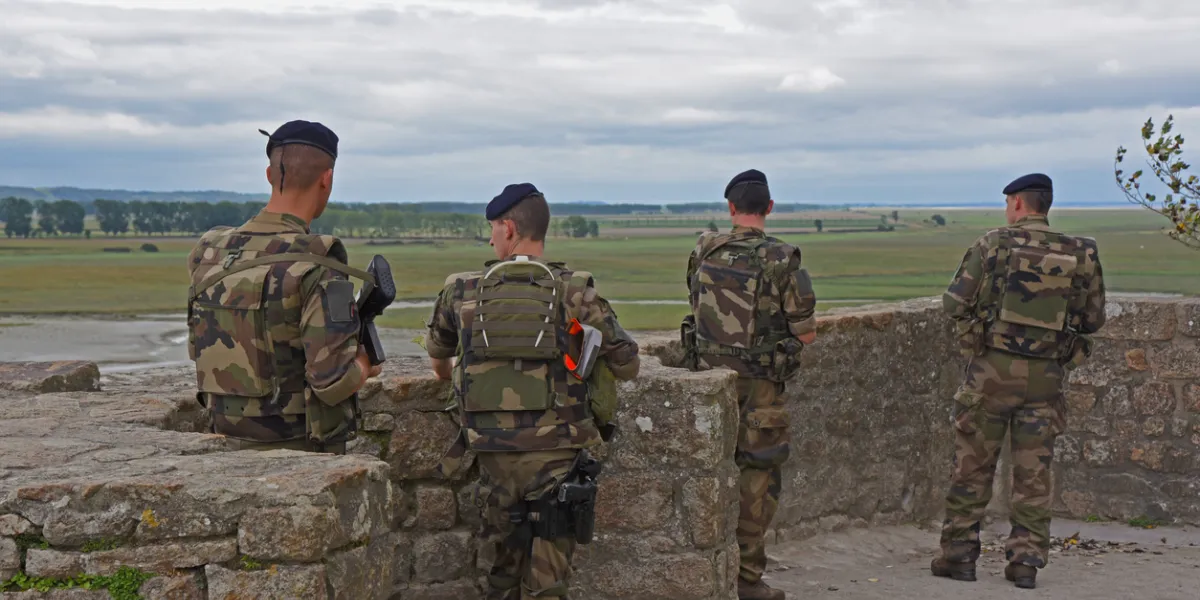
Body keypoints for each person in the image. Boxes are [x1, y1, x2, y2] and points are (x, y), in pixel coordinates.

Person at [424, 182, 640, 600]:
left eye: (492, 228)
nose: (490, 238)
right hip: (558, 454)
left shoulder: (462, 290)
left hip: (492, 454)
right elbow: (627, 365)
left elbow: (439, 360)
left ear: (509, 228)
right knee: (549, 582)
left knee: (501, 573)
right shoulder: (576, 291)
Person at [930, 173, 1106, 589]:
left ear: (1017, 204)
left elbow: (954, 302)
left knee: (972, 466)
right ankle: (1026, 562)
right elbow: (1092, 319)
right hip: (1046, 377)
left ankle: (959, 556)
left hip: (991, 373)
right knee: (1034, 473)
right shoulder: (1081, 252)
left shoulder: (993, 244)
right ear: (1045, 205)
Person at [186, 120, 383, 454]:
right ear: (327, 179)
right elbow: (333, 383)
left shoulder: (210, 250)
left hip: (220, 442)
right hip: (299, 452)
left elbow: (198, 348)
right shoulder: (319, 262)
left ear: (269, 175)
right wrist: (366, 363)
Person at [680, 169, 817, 600]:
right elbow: (806, 332)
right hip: (760, 390)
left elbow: (695, 304)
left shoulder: (705, 249)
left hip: (707, 385)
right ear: (770, 208)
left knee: (703, 480)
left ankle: (699, 572)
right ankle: (747, 581)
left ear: (732, 209)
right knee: (757, 484)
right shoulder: (783, 259)